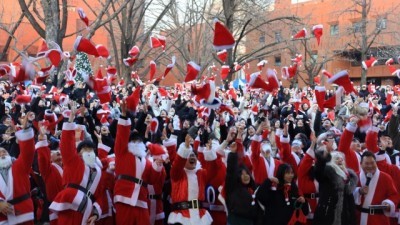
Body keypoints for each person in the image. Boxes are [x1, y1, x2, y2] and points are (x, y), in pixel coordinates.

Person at [0, 113, 35, 225]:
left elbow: (28, 152)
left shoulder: (19, 165)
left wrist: (27, 128)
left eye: (4, 152)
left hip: (23, 214)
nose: (2, 154)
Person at [313, 150, 358, 225]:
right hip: (328, 213)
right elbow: (318, 172)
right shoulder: (327, 173)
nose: (340, 160)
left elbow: (350, 198)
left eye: (342, 159)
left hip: (345, 214)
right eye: (337, 158)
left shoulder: (348, 176)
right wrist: (321, 159)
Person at [353, 151, 398, 225]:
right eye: (367, 163)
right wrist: (359, 191)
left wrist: (388, 203)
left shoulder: (386, 177)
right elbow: (348, 194)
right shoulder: (355, 177)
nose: (370, 166)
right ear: (361, 164)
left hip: (379, 219)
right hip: (359, 218)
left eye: (372, 163)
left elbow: (394, 195)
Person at [225, 141, 257, 225]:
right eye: (242, 174)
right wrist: (233, 153)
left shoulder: (253, 189)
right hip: (235, 221)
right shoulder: (233, 187)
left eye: (247, 173)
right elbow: (231, 171)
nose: (246, 176)